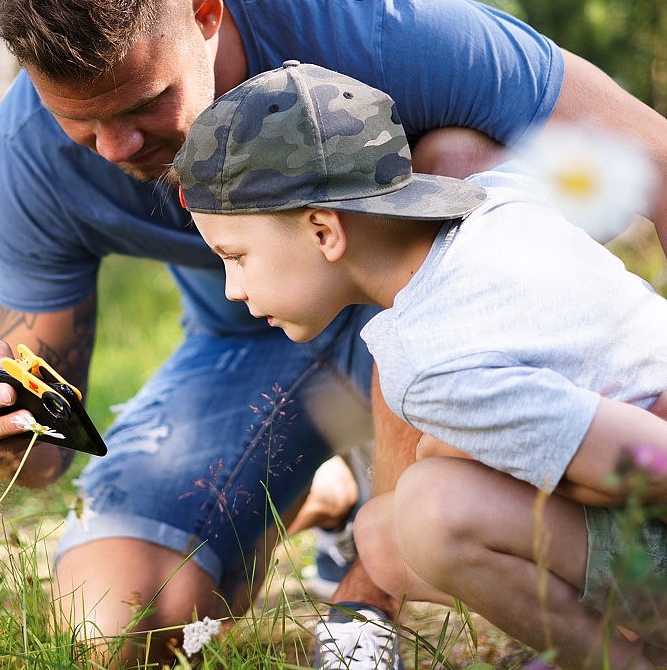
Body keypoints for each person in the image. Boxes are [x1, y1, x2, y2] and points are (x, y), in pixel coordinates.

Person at [0, 0, 667, 666]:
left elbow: (655, 156)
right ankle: (331, 485)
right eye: (82, 124)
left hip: (442, 298)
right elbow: (47, 428)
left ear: (205, 16)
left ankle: (365, 597)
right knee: (112, 624)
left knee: (454, 156)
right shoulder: (29, 155)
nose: (116, 148)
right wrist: (5, 435)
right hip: (253, 344)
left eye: (141, 103)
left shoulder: (370, 17)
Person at [173, 60, 667, 668]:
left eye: (236, 255)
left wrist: (556, 472)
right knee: (385, 528)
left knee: (431, 512)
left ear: (324, 230)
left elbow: (651, 463)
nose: (232, 289)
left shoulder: (428, 359)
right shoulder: (500, 197)